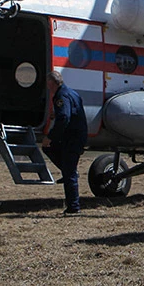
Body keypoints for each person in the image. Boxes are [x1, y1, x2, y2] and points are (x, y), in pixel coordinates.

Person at [43, 70, 88, 214]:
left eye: (48, 84)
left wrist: (50, 136)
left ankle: (73, 207)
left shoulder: (61, 96)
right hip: (77, 135)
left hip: (71, 137)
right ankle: (68, 171)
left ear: (51, 83)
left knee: (69, 172)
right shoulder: (71, 93)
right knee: (51, 150)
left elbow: (64, 118)